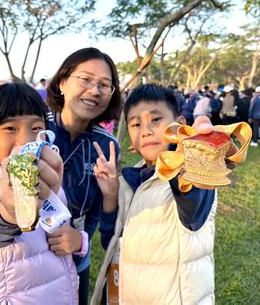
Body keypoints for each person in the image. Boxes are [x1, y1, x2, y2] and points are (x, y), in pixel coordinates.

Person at [0, 47, 122, 304]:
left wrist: (80, 241)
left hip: (69, 260)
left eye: (105, 84)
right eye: (86, 79)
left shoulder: (106, 143)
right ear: (63, 82)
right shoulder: (39, 119)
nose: (95, 90)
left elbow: (97, 209)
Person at [91, 84, 237, 304]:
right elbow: (109, 244)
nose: (146, 130)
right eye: (136, 124)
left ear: (180, 124)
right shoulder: (128, 181)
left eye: (156, 120)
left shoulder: (186, 175)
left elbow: (194, 204)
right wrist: (111, 196)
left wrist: (200, 155)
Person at [0, 83, 79, 303]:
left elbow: (63, 225)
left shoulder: (46, 178)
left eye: (36, 128)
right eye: (10, 128)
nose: (25, 140)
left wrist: (78, 241)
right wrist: (11, 209)